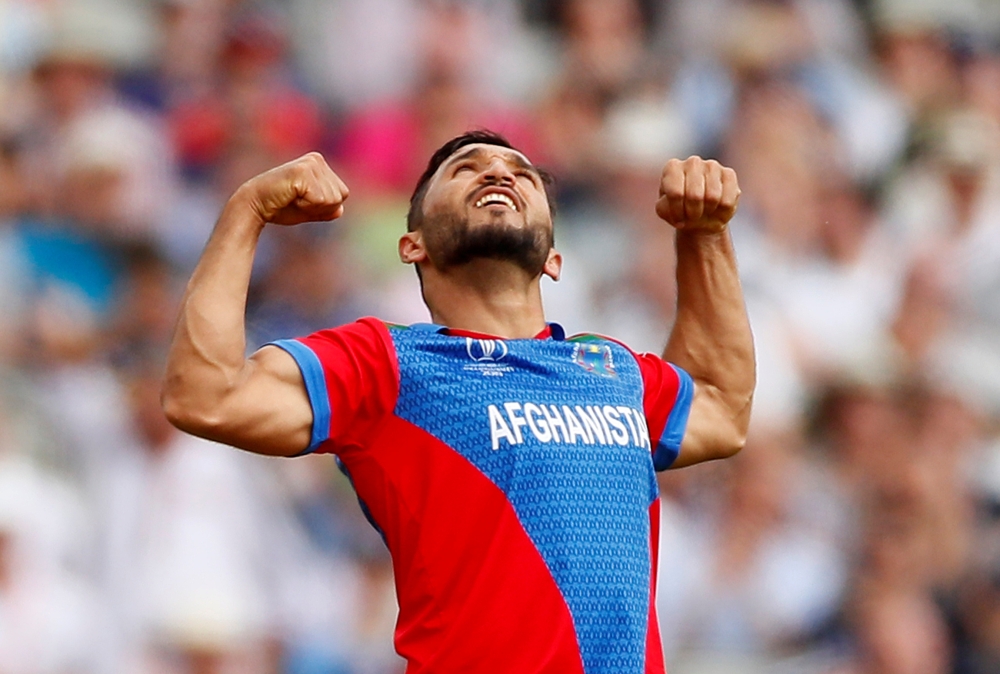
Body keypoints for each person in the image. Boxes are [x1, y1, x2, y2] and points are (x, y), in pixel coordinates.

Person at [161, 129, 755, 673]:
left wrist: (704, 234)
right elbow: (206, 395)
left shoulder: (612, 368)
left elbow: (722, 409)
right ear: (411, 244)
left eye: (520, 173)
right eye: (465, 169)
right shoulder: (387, 364)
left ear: (554, 258)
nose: (498, 173)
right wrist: (247, 211)